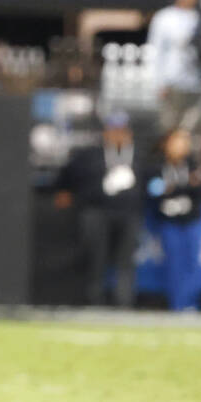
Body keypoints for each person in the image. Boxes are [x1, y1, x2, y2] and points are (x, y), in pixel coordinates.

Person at [55, 111, 144, 308]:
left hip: (128, 214)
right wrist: (64, 191)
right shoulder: (90, 155)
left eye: (121, 131)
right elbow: (67, 174)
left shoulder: (137, 155)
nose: (117, 135)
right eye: (113, 131)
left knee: (125, 260)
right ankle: (93, 301)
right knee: (96, 258)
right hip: (97, 211)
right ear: (105, 133)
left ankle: (124, 303)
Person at [147, 0, 201, 94]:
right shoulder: (165, 17)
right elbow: (155, 50)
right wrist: (158, 82)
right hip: (171, 85)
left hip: (196, 84)